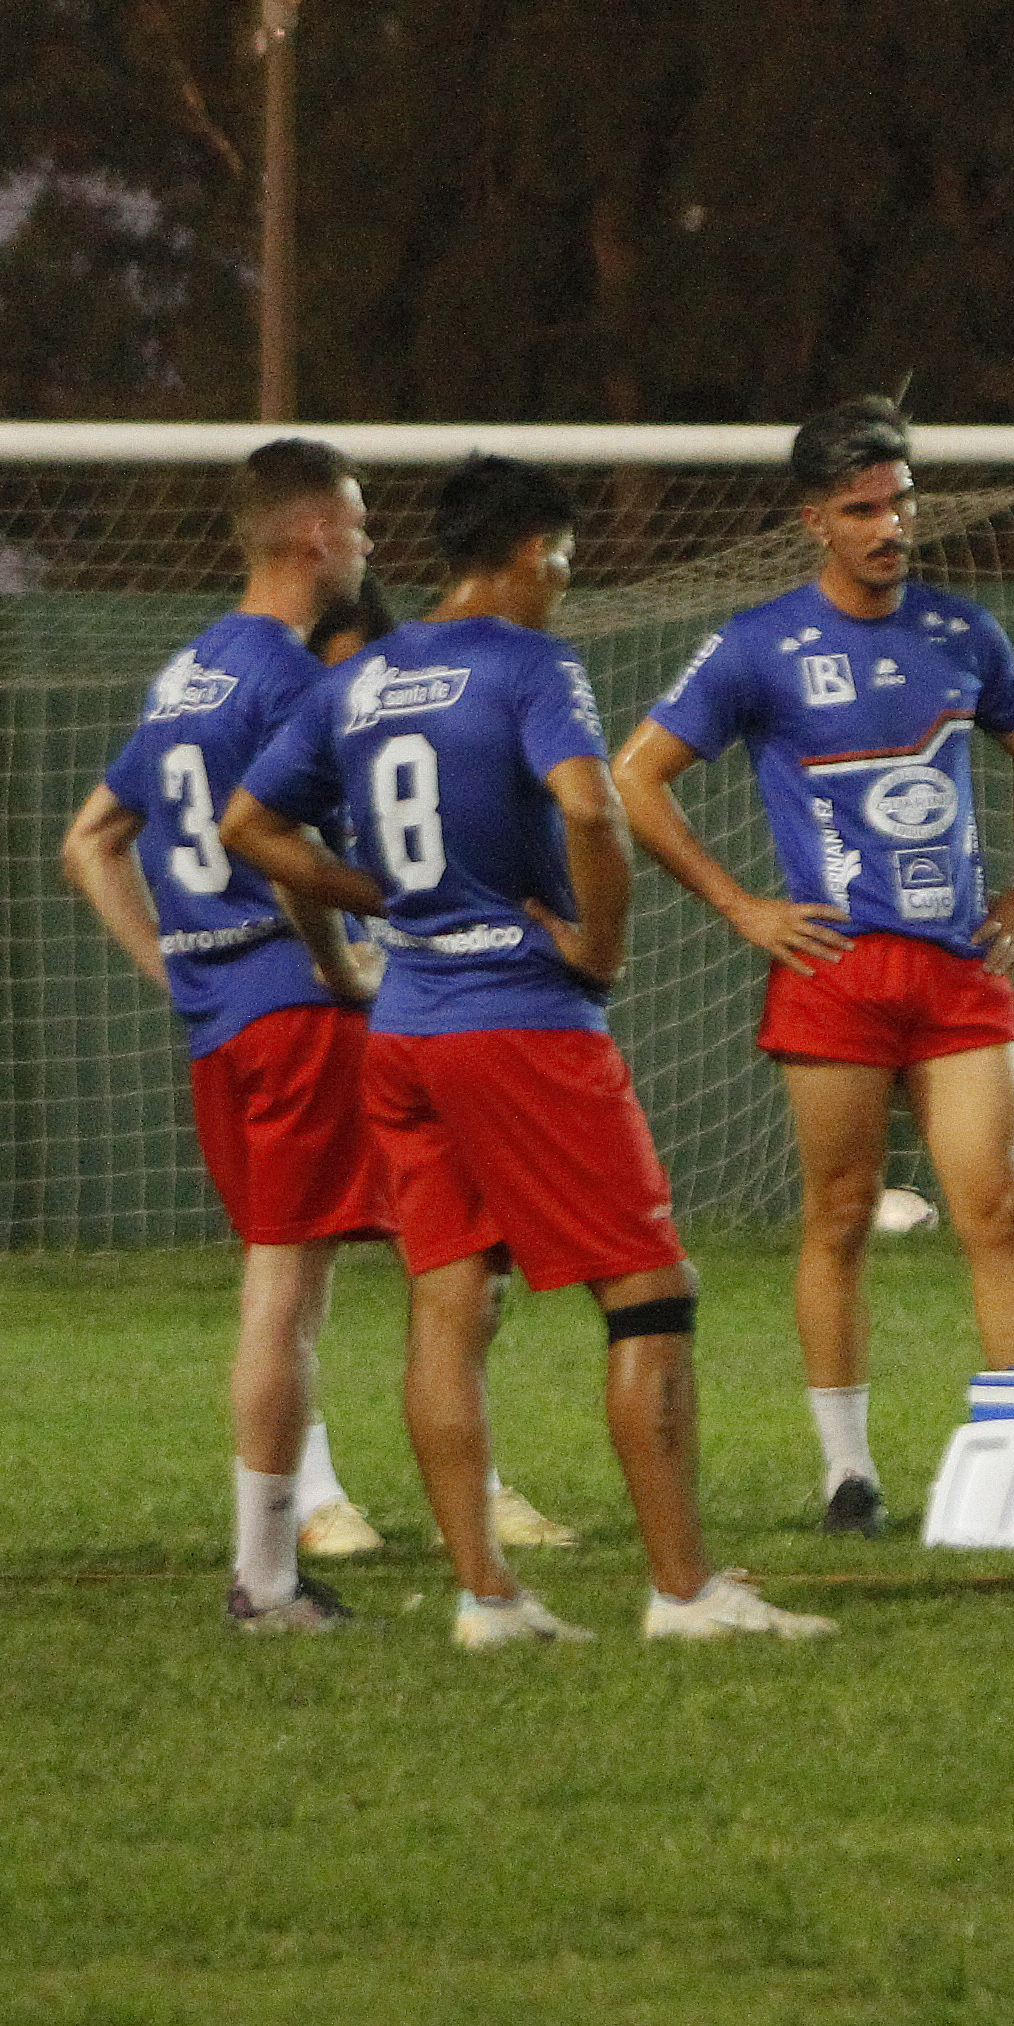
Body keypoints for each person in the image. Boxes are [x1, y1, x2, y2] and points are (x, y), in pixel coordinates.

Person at [224, 451, 832, 1647]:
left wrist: (376, 906)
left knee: (450, 1302)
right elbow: (593, 805)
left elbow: (250, 825)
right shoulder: (533, 664)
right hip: (520, 1023)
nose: (564, 581)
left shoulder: (359, 679)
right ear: (523, 557)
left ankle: (487, 1597)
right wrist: (599, 949)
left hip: (404, 1032)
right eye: (561, 559)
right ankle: (684, 1590)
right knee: (651, 1289)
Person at [614, 397, 1014, 1538]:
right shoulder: (763, 644)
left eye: (901, 501)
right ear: (815, 518)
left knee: (998, 1209)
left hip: (959, 975)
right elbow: (636, 777)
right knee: (840, 1212)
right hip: (834, 976)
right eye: (863, 508)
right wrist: (741, 907)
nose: (889, 526)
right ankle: (848, 1475)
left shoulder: (964, 635)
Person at [60, 440, 391, 1631]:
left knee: (280, 1281)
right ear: (312, 537)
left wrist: (171, 964)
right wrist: (335, 956)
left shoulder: (186, 672)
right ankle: (263, 1574)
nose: (368, 543)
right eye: (357, 523)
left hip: (220, 1017)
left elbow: (89, 838)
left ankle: (276, 1560)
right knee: (287, 1290)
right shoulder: (294, 681)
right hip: (295, 1015)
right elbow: (273, 838)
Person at [303, 577, 579, 1557]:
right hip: (317, 1016)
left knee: (459, 1269)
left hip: (416, 1012)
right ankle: (309, 1496)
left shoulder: (408, 736)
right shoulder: (302, 744)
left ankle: (480, 1497)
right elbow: (255, 836)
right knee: (302, 1265)